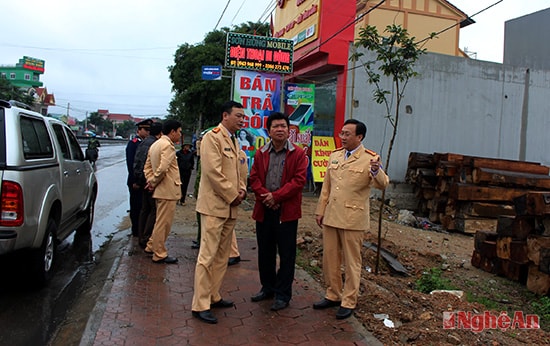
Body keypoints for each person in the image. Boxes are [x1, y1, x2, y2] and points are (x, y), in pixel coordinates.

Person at [313, 118, 389, 320]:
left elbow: (382, 184)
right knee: (330, 259)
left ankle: (349, 301)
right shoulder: (335, 156)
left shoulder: (370, 158)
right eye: (342, 133)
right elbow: (326, 187)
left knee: (352, 261)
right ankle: (333, 294)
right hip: (331, 216)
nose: (343, 137)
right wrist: (320, 210)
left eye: (347, 134)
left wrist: (376, 170)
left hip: (353, 218)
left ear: (359, 137)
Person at [191, 101, 248, 324]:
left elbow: (240, 171)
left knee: (222, 255)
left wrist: (241, 190)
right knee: (207, 255)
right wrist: (232, 195)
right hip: (215, 206)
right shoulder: (212, 138)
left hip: (230, 207)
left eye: (244, 117)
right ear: (225, 115)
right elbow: (213, 172)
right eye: (238, 116)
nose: (242, 120)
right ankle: (200, 304)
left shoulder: (234, 140)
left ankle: (214, 295)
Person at [248, 112, 308, 311]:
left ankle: (283, 294)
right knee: (265, 252)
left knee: (287, 254)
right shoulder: (260, 153)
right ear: (269, 130)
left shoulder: (298, 154)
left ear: (289, 129)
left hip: (286, 212)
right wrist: (266, 196)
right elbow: (254, 178)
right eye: (276, 126)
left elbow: (299, 181)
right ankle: (268, 287)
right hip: (264, 209)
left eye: (283, 126)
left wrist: (277, 197)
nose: (280, 129)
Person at [143, 120, 183, 264]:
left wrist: (150, 181)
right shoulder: (167, 146)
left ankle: (151, 246)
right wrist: (153, 182)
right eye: (179, 131)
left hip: (161, 189)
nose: (180, 134)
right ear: (172, 131)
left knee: (159, 221)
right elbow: (163, 168)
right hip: (168, 190)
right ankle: (159, 253)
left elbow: (147, 166)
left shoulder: (156, 144)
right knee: (163, 223)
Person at [133, 121, 163, 249]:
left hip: (142, 180)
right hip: (149, 182)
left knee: (145, 210)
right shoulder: (154, 144)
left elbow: (138, 163)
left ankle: (141, 237)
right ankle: (146, 238)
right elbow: (149, 165)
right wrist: (150, 181)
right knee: (153, 210)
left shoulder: (144, 142)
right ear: (160, 133)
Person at [126, 119, 152, 237]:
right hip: (136, 181)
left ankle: (142, 230)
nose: (147, 132)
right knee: (136, 206)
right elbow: (131, 164)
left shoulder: (148, 143)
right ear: (139, 130)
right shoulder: (134, 143)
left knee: (144, 207)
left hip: (145, 180)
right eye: (145, 130)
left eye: (149, 130)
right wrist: (135, 181)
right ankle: (135, 230)